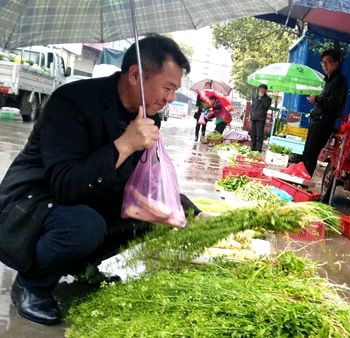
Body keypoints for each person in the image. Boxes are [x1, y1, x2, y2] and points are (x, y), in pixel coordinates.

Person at [0, 34, 201, 326]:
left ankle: (82, 265)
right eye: (167, 87)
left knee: (154, 215)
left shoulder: (146, 118)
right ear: (135, 75)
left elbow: (142, 184)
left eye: (175, 90)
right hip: (30, 206)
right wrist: (125, 145)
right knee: (85, 226)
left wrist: (192, 213)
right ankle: (32, 285)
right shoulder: (72, 102)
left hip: (78, 203)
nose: (171, 98)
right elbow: (65, 186)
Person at [300, 49, 348, 176]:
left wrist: (317, 99)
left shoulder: (339, 81)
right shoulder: (329, 80)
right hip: (317, 121)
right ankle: (302, 177)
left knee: (311, 153)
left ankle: (305, 180)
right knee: (307, 152)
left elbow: (334, 103)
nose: (325, 66)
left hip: (324, 123)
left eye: (328, 62)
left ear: (336, 63)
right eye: (323, 63)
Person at [250, 84, 272, 152]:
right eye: (260, 88)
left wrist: (262, 97)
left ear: (265, 90)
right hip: (254, 118)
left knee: (259, 134)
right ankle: (252, 147)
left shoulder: (268, 99)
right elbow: (253, 106)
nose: (261, 90)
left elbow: (266, 107)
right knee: (252, 134)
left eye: (263, 89)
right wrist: (251, 115)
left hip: (260, 119)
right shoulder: (255, 97)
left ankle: (258, 149)